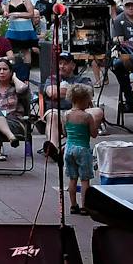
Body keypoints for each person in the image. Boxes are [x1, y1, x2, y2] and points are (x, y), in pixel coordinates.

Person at [45, 83, 103, 213]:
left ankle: (73, 205)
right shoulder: (87, 116)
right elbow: (94, 134)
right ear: (84, 100)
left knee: (72, 179)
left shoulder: (66, 115)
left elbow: (64, 132)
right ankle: (84, 206)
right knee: (85, 180)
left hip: (69, 148)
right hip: (83, 149)